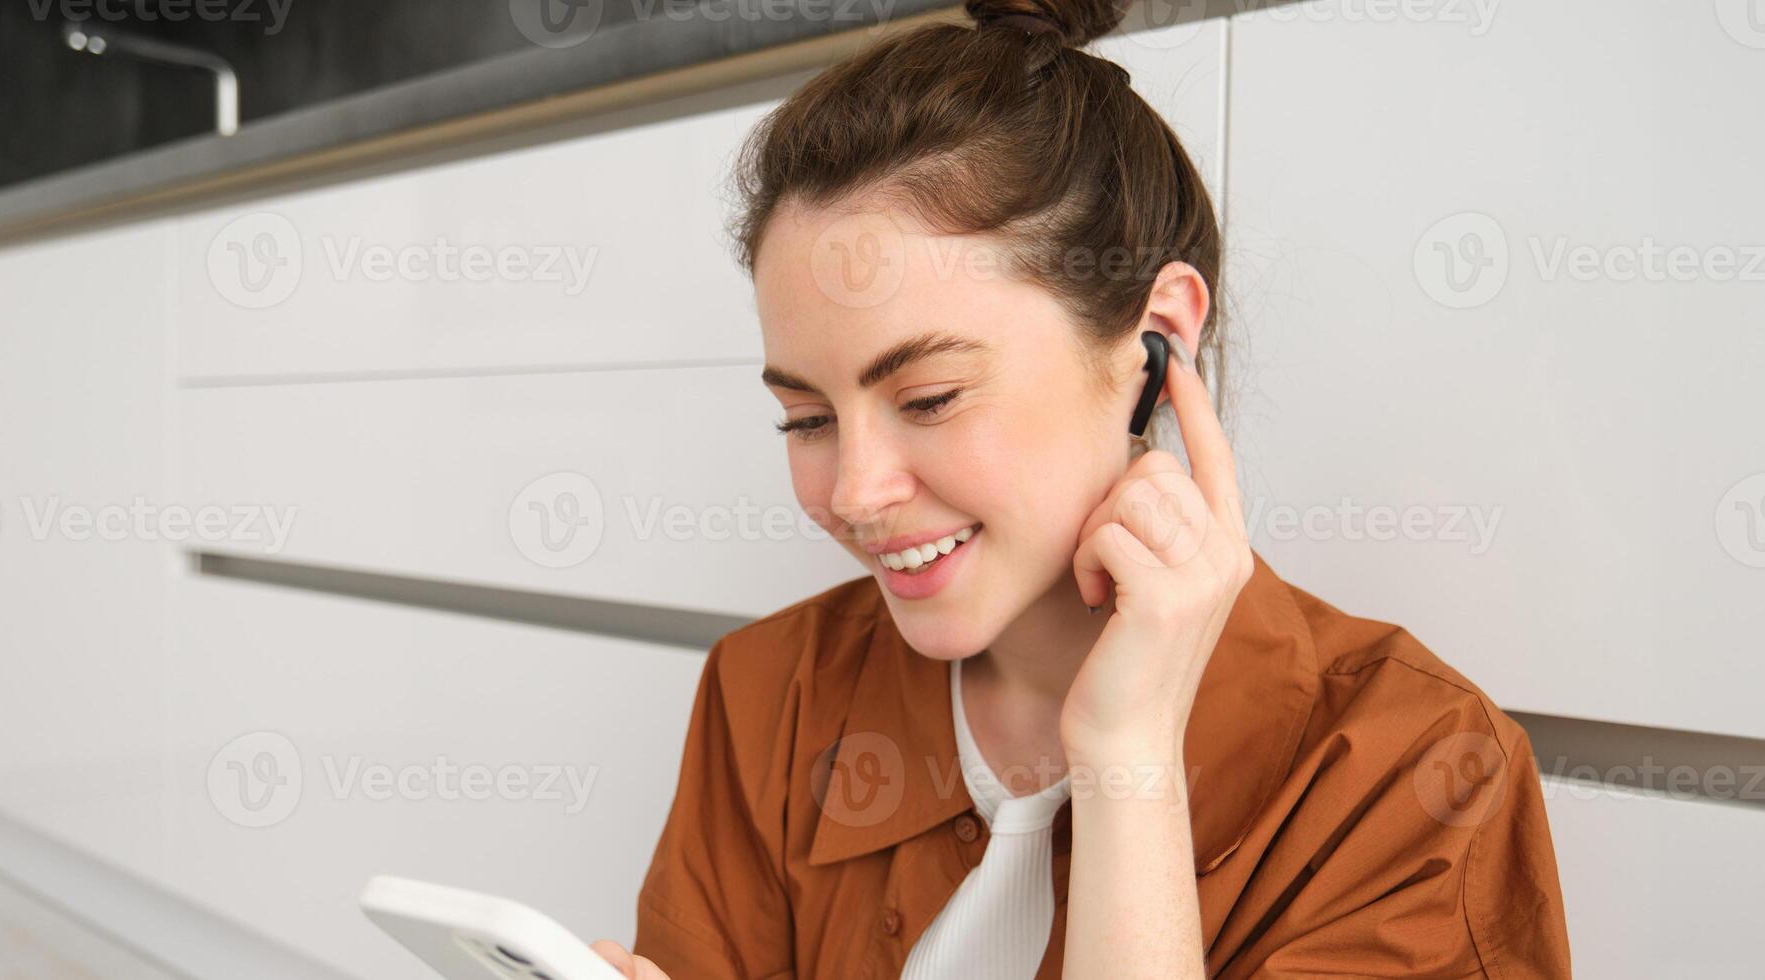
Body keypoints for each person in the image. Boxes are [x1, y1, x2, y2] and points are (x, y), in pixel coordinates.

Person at [592, 1, 1573, 976]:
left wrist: (1127, 753)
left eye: (928, 397)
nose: (853, 490)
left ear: (1157, 341)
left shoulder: (1415, 774)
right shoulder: (767, 697)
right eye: (806, 418)